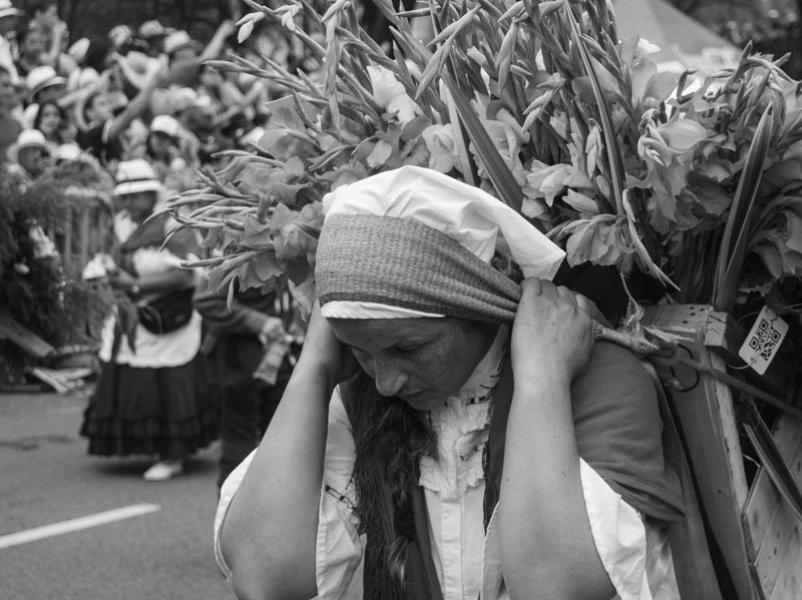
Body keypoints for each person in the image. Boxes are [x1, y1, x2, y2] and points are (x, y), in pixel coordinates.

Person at [214, 166, 685, 599]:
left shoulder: (596, 379)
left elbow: (556, 588)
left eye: (407, 348)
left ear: (480, 304)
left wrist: (542, 382)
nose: (386, 382)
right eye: (360, 350)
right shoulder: (361, 394)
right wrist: (315, 367)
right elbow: (265, 578)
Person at [79, 159, 218, 481]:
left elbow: (190, 272)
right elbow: (115, 259)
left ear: (150, 194)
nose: (127, 203)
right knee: (135, 379)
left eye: (134, 196)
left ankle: (173, 454)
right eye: (124, 197)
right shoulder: (123, 223)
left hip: (169, 316)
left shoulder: (172, 224)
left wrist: (136, 285)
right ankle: (150, 446)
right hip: (132, 315)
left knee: (168, 380)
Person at [193, 278, 301, 489]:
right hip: (240, 364)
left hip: (282, 360)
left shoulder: (295, 250)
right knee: (239, 448)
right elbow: (206, 299)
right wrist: (258, 321)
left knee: (281, 444)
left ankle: (274, 511)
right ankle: (230, 514)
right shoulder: (241, 249)